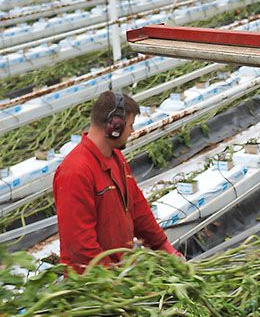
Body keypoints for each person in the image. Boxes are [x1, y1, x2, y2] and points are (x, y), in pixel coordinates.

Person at [53, 91, 182, 272]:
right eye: (130, 125)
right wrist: (111, 281)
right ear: (115, 126)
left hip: (120, 271)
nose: (132, 131)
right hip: (93, 284)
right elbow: (80, 244)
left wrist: (164, 247)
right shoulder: (76, 171)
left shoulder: (116, 159)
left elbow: (137, 209)